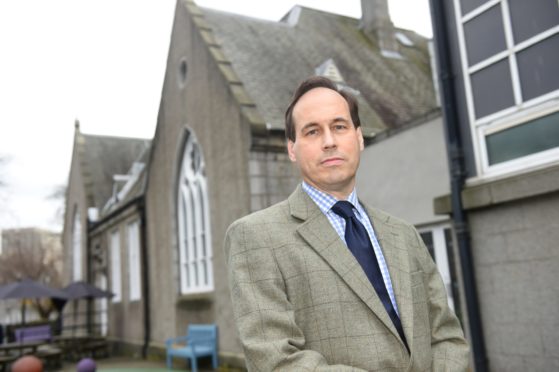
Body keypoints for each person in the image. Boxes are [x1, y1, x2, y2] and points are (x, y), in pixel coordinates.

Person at [224, 76, 470, 371]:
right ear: (292, 149)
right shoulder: (255, 237)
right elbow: (277, 361)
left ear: (359, 137)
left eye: (339, 126)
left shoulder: (405, 234)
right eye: (312, 131)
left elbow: (446, 335)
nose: (329, 142)